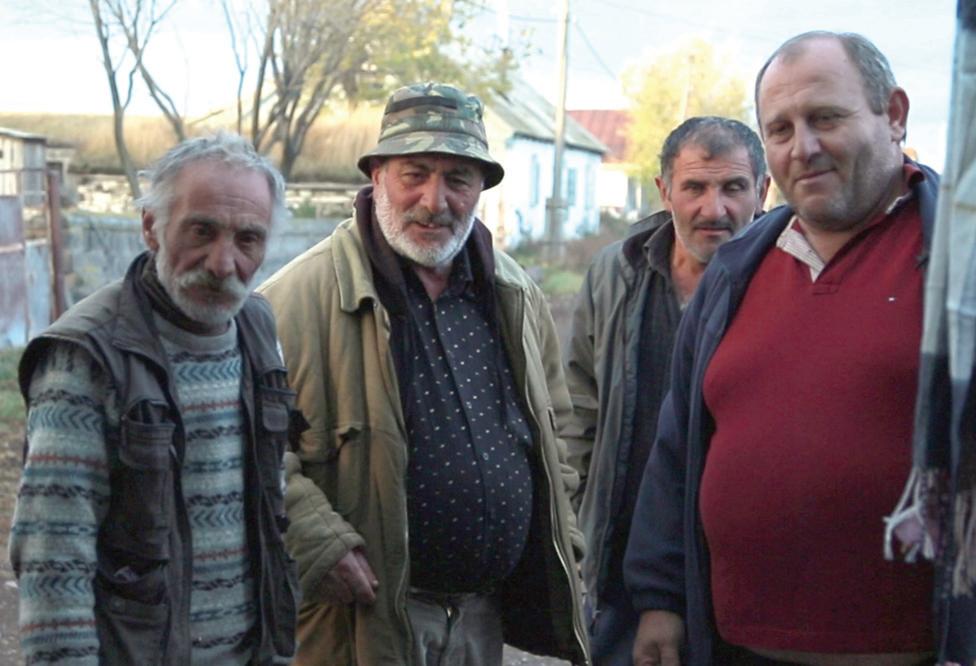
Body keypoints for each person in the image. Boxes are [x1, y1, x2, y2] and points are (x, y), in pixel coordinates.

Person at [625, 31, 941, 666]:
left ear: (894, 114)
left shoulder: (956, 260)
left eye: (826, 118)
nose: (804, 147)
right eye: (780, 129)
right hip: (737, 647)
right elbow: (679, 445)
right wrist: (661, 598)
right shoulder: (734, 272)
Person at [258, 82, 589, 666]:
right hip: (364, 619)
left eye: (458, 179)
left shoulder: (513, 292)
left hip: (482, 618)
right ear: (378, 175)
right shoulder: (292, 299)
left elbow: (555, 430)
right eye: (415, 174)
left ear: (480, 188)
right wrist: (315, 541)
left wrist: (568, 537)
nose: (435, 201)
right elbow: (246, 446)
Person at [8, 133, 300, 664]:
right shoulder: (88, 356)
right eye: (201, 231)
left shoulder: (258, 329)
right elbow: (54, 558)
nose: (222, 263)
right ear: (151, 227)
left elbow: (270, 507)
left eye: (248, 239)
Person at [562, 116, 768, 665]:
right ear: (664, 190)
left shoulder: (783, 281)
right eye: (694, 187)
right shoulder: (616, 272)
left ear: (763, 191)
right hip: (621, 563)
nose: (713, 209)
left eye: (733, 188)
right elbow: (577, 409)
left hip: (732, 568)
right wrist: (577, 526)